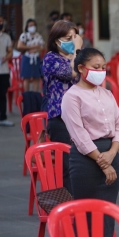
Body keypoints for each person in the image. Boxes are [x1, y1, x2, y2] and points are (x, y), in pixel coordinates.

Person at [61, 48, 119, 237]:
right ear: (81, 68)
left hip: (111, 155)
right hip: (86, 161)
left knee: (105, 221)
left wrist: (112, 153)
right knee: (84, 219)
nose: (100, 71)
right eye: (95, 67)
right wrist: (102, 161)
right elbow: (79, 136)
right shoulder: (72, 97)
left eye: (103, 67)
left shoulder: (106, 93)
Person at [42, 20, 83, 192]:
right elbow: (72, 74)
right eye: (68, 38)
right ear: (57, 40)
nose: (73, 41)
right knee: (68, 165)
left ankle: (83, 206)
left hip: (79, 116)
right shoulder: (51, 58)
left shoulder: (78, 58)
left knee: (81, 164)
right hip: (59, 118)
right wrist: (77, 51)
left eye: (75, 37)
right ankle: (71, 211)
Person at [17, 19, 45, 92]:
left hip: (36, 58)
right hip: (27, 58)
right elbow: (19, 46)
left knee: (36, 77)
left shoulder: (38, 36)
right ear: (27, 26)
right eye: (30, 25)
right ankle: (27, 96)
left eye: (34, 25)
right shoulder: (24, 35)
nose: (32, 27)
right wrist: (33, 46)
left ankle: (35, 95)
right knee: (26, 77)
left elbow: (42, 47)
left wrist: (35, 49)